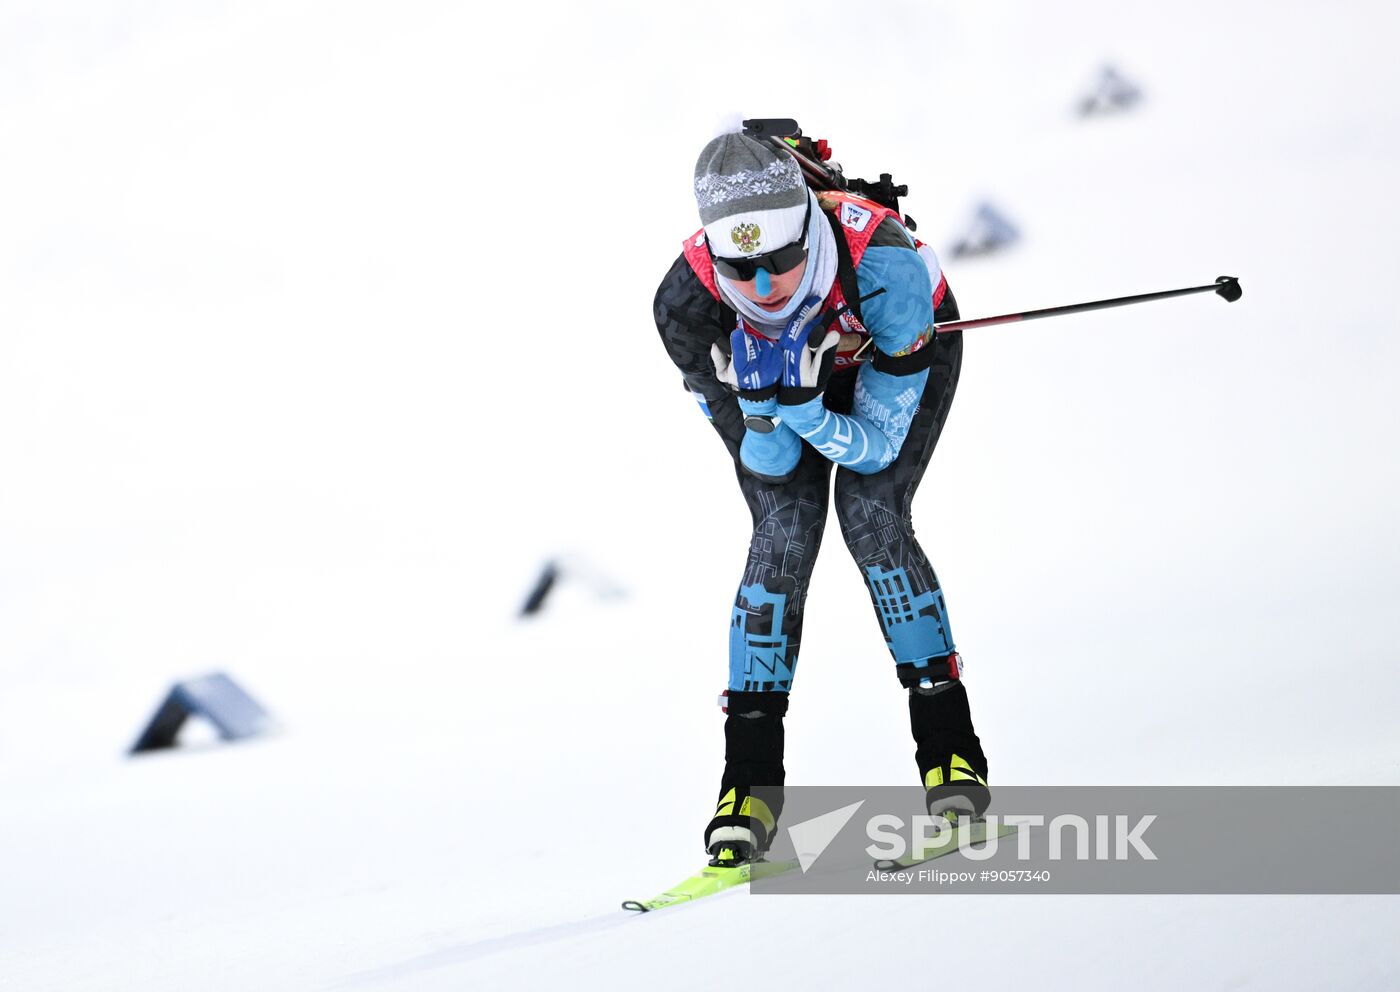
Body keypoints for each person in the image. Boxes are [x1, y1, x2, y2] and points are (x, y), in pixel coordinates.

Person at [652, 128, 989, 865]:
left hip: (888, 347)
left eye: (783, 259)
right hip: (790, 390)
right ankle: (747, 792)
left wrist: (807, 408)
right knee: (782, 533)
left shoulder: (886, 269)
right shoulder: (687, 307)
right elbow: (769, 470)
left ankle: (952, 763)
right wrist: (769, 411)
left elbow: (878, 442)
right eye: (742, 267)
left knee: (871, 517)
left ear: (810, 220)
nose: (766, 284)